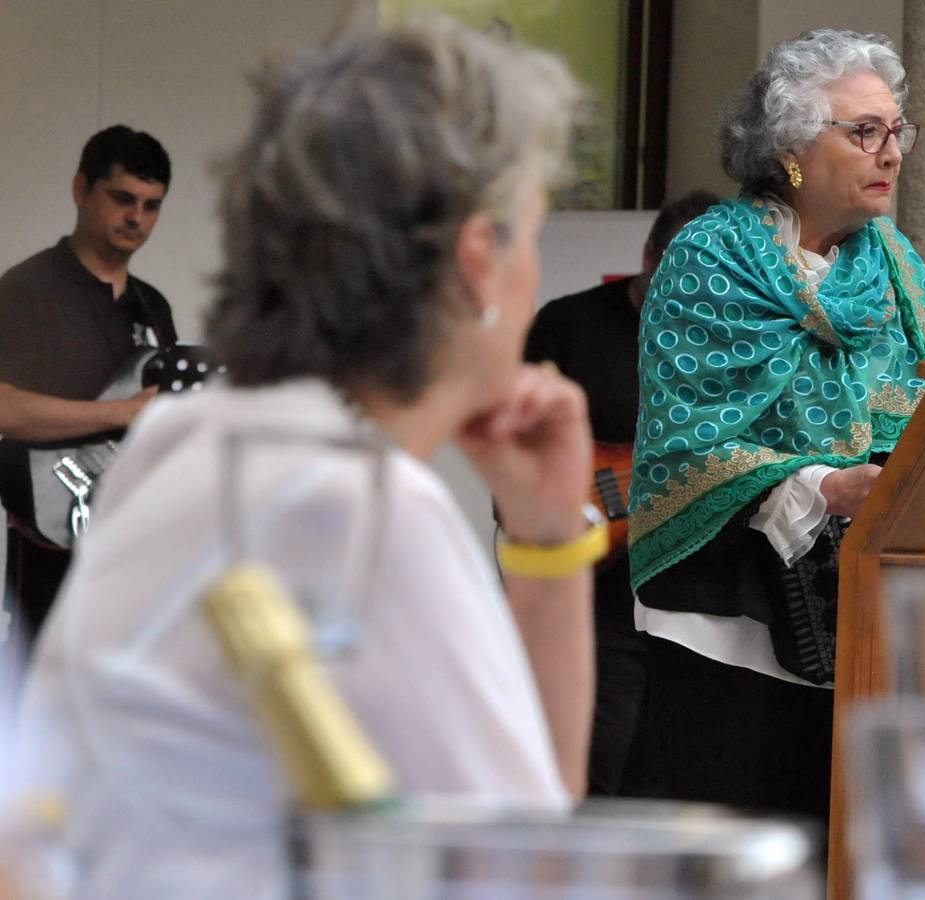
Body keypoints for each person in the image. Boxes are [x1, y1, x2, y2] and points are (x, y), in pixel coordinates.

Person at [18, 21, 595, 897]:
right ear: (479, 260)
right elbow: (530, 863)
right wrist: (552, 547)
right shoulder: (362, 511)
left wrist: (547, 529)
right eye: (532, 236)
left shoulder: (185, 446)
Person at [619, 29, 925, 822]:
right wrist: (821, 485)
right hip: (724, 625)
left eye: (896, 130)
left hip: (863, 623)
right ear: (793, 147)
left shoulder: (900, 269)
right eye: (865, 130)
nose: (892, 153)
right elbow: (687, 443)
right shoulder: (711, 257)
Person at [522, 189, 717, 796]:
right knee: (596, 756)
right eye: (680, 273)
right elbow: (517, 456)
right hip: (597, 593)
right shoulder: (568, 324)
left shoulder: (730, 343)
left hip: (690, 594)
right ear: (649, 255)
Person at [0, 125, 177, 646]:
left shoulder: (153, 306)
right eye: (123, 199)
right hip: (49, 543)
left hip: (127, 545)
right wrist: (120, 414)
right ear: (82, 190)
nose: (136, 218)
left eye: (151, 206)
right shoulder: (27, 291)